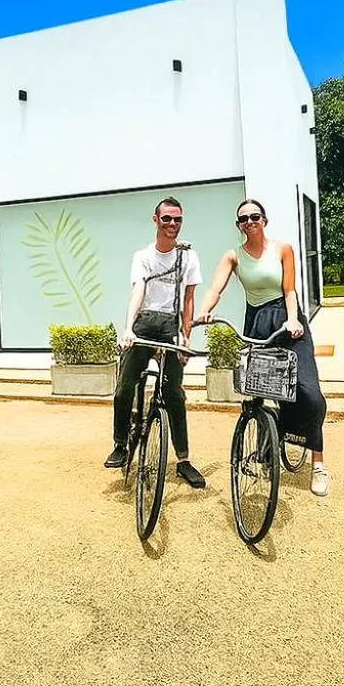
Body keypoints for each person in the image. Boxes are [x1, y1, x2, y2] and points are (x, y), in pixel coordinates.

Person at [195, 198, 330, 497]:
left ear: (264, 220)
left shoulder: (282, 249)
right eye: (243, 219)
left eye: (254, 217)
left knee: (310, 393)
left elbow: (289, 289)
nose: (249, 222)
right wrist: (203, 312)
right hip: (256, 323)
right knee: (259, 392)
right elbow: (215, 288)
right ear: (238, 225)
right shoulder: (234, 256)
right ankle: (266, 452)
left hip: (286, 319)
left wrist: (294, 319)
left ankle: (318, 463)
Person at [104, 197, 207, 489]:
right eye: (167, 219)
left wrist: (186, 337)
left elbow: (188, 300)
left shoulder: (188, 256)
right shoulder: (143, 256)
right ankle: (121, 444)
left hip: (171, 325)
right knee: (125, 386)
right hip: (145, 324)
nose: (172, 224)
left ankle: (183, 461)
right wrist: (128, 329)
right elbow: (138, 290)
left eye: (177, 219)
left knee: (174, 393)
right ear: (155, 220)